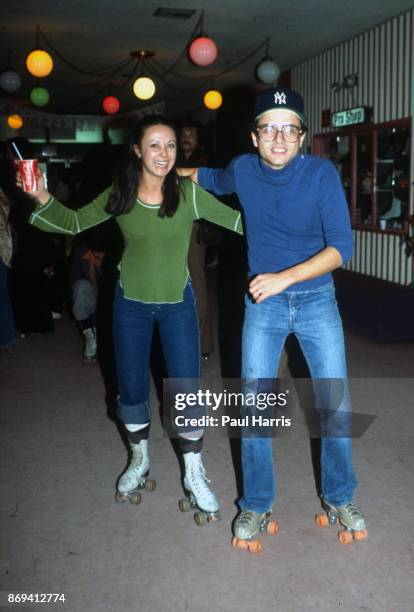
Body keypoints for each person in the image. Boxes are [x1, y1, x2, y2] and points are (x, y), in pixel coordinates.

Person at [18, 115, 243, 522]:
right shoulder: (120, 194)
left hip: (177, 304)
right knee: (131, 385)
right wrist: (40, 197)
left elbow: (238, 222)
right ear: (137, 150)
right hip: (130, 305)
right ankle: (139, 458)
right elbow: (71, 222)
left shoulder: (189, 194)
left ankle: (194, 471)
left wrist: (291, 225)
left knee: (186, 387)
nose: (164, 154)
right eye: (155, 145)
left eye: (171, 146)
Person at [180, 87, 367, 544]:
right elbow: (204, 177)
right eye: (269, 128)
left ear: (302, 137)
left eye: (289, 129)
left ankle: (339, 495)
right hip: (263, 305)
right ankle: (257, 504)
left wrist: (285, 277)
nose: (279, 138)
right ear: (254, 136)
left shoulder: (321, 175)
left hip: (316, 300)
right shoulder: (242, 170)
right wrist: (162, 164)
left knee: (333, 403)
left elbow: (342, 248)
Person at [179, 121, 215, 364]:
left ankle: (203, 344)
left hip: (193, 228)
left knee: (198, 285)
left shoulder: (204, 162)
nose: (185, 138)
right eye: (182, 134)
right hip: (170, 226)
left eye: (190, 134)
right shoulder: (172, 157)